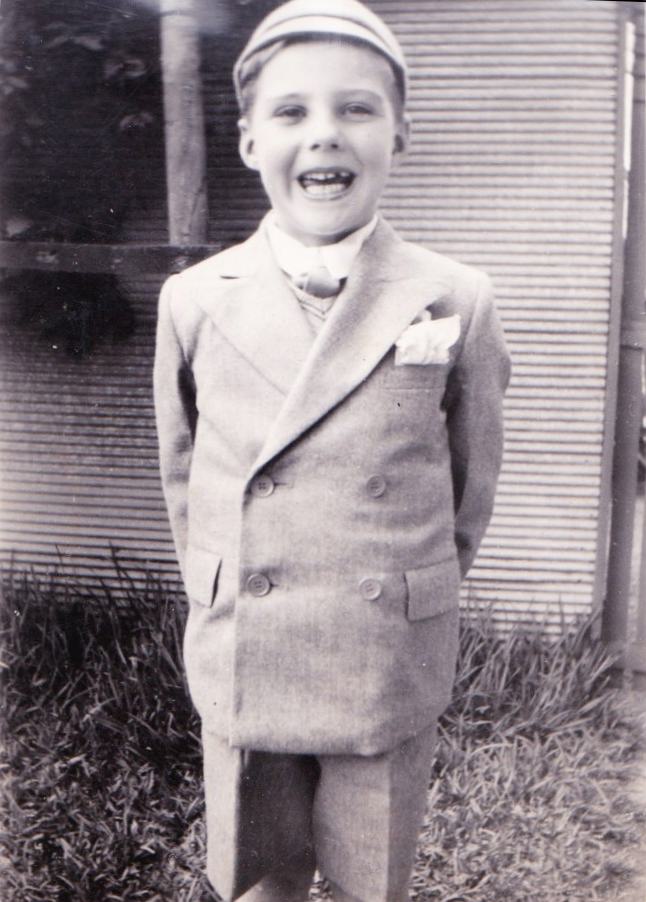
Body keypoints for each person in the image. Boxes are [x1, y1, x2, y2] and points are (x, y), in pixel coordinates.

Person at [153, 1, 511, 899]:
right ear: (249, 142)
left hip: (380, 651)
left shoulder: (455, 297)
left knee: (370, 877)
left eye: (356, 108)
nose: (325, 134)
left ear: (399, 134)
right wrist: (221, 585)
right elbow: (186, 474)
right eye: (292, 111)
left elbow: (469, 485)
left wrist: (410, 589)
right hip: (252, 644)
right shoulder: (195, 299)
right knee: (259, 874)